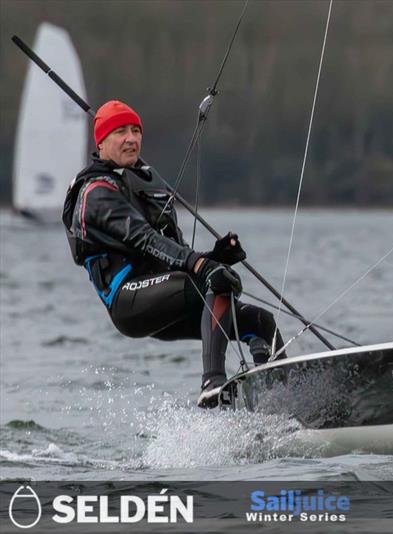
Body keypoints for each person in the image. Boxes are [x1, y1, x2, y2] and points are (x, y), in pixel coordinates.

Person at [61, 100, 284, 408]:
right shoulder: (96, 193)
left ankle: (279, 400)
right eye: (120, 132)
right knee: (214, 280)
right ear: (101, 142)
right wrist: (204, 267)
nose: (131, 138)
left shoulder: (143, 185)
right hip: (128, 301)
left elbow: (175, 255)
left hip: (167, 292)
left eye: (136, 131)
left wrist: (214, 257)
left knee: (260, 321)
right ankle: (212, 383)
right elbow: (143, 239)